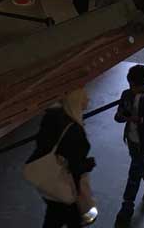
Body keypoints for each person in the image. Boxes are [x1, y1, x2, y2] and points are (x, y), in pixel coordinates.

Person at [27, 87, 96, 228]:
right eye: (83, 97)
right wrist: (88, 164)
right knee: (68, 219)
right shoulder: (75, 131)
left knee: (54, 218)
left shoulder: (51, 118)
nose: (88, 99)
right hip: (65, 189)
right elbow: (76, 167)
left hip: (49, 186)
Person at [113, 64, 144, 221]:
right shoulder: (126, 94)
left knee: (134, 171)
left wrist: (139, 120)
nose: (132, 88)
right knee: (139, 164)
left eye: (134, 86)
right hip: (131, 139)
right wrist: (122, 116)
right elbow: (118, 115)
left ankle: (128, 205)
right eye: (130, 85)